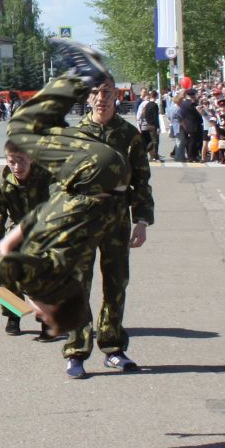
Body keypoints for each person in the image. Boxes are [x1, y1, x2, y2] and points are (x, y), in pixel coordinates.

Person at [0, 41, 131, 348]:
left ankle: (77, 82)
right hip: (95, 171)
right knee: (19, 129)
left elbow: (42, 214)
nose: (37, 314)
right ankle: (82, 75)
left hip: (106, 177)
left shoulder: (65, 277)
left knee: (36, 128)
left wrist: (10, 240)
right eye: (46, 320)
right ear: (52, 307)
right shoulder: (45, 280)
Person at [60, 79, 154, 379]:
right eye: (95, 93)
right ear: (87, 98)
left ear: (116, 95)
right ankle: (76, 351)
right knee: (78, 286)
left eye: (106, 93)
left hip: (116, 219)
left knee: (116, 283)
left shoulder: (129, 136)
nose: (101, 98)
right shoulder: (75, 136)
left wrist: (141, 220)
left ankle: (113, 348)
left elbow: (142, 180)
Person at [0, 145, 52, 336]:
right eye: (12, 162)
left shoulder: (46, 180)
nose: (17, 167)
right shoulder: (4, 186)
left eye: (21, 161)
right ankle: (13, 315)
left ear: (31, 159)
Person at [137, 90, 163, 163]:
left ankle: (150, 153)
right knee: (155, 141)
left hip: (148, 124)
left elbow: (144, 114)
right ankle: (154, 156)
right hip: (153, 125)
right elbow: (156, 117)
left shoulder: (147, 105)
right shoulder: (154, 105)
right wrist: (158, 127)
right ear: (155, 96)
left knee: (152, 141)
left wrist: (147, 122)